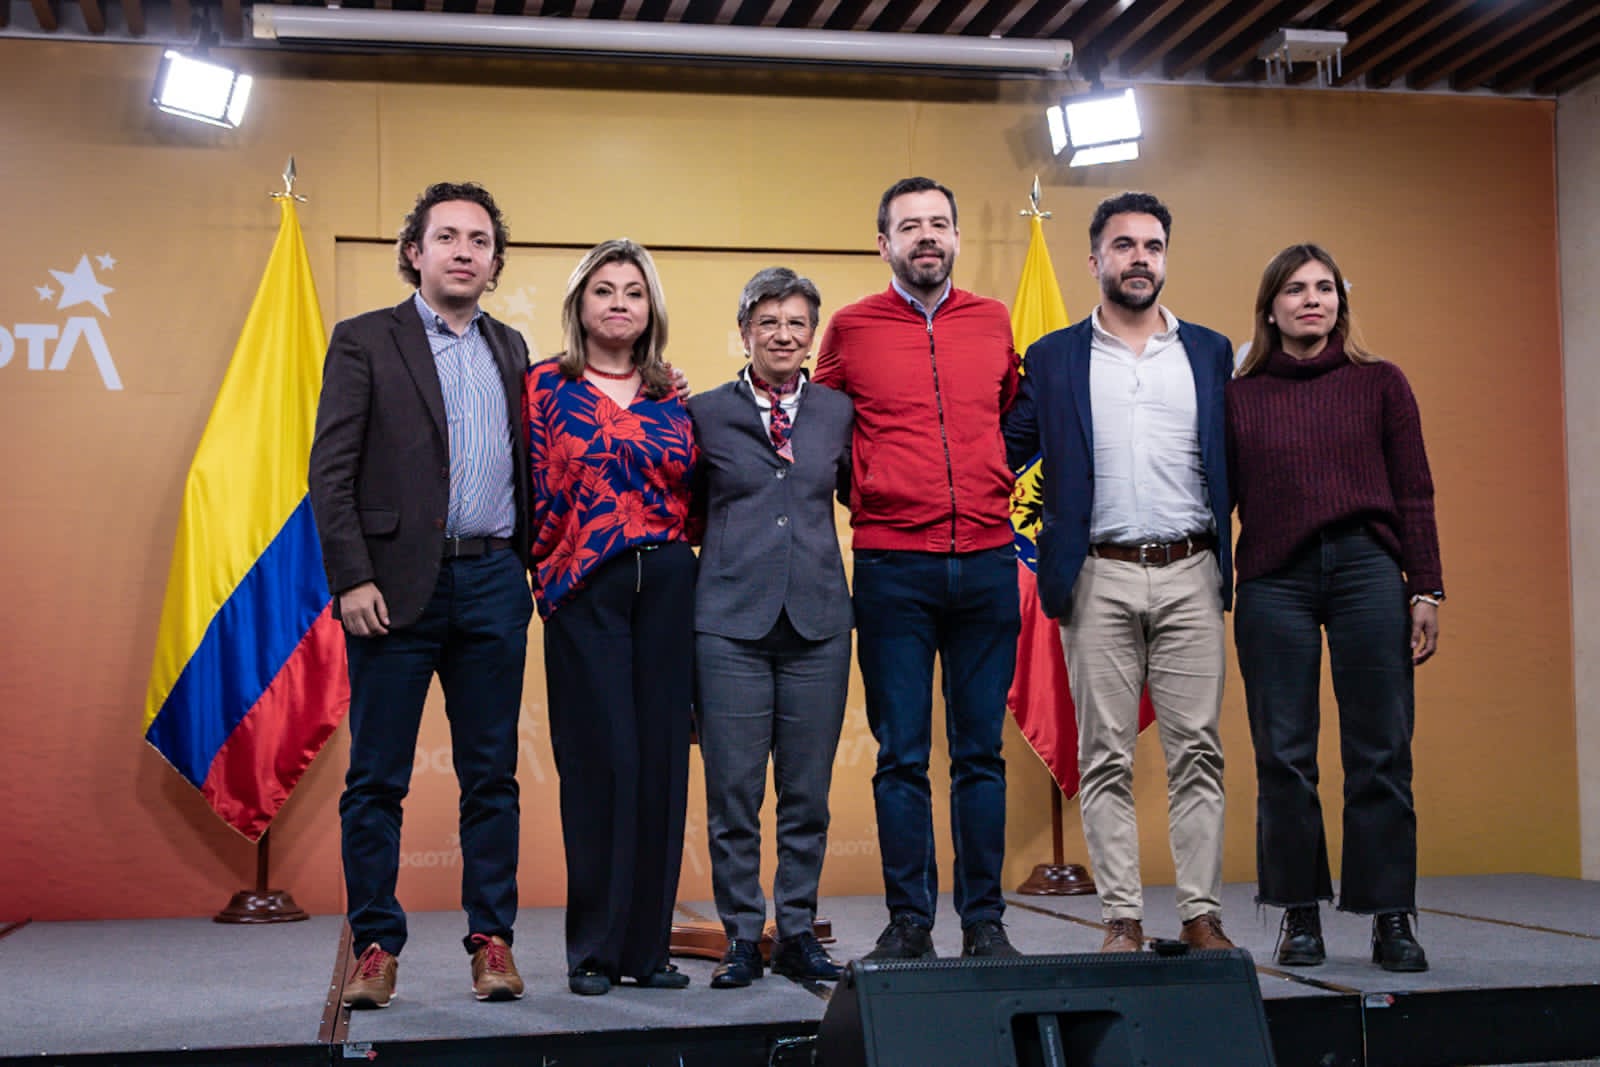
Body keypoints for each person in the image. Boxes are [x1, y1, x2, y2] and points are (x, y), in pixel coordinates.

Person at [309, 181, 532, 1008]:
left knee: (492, 778)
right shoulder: (365, 341)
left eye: (479, 239)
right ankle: (374, 946)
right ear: (416, 251)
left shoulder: (514, 350)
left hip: (492, 584)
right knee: (376, 780)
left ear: (495, 261)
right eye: (447, 237)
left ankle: (493, 942)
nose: (464, 250)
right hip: (392, 592)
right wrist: (352, 576)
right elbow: (329, 473)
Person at [1003, 191, 1235, 954]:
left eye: (1153, 245)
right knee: (1104, 753)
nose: (1141, 257)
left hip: (1190, 568)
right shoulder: (1054, 355)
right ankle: (1122, 920)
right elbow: (1000, 445)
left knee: (1196, 749)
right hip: (1096, 574)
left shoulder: (1209, 351)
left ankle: (1202, 915)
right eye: (1125, 245)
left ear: (1165, 257)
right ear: (1095, 259)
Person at [815, 177, 1023, 961]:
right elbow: (823, 431)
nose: (926, 236)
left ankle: (984, 921)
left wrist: (991, 480)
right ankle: (910, 922)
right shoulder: (849, 328)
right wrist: (870, 489)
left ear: (957, 238)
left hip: (987, 560)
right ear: (884, 244)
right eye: (909, 226)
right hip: (892, 564)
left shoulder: (993, 321)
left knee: (980, 753)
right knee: (901, 754)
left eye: (939, 223)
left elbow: (1007, 415)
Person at [1227, 243, 1442, 973]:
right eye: (1295, 289)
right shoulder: (1240, 395)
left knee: (1380, 751)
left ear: (1339, 304)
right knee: (1283, 755)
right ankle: (1298, 915)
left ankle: (1391, 918)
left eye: (1323, 288)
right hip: (1273, 579)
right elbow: (1215, 497)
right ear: (1271, 307)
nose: (1310, 300)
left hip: (1367, 571)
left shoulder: (1381, 384)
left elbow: (1415, 489)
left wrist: (1426, 587)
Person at [525, 238, 699, 996]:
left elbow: (698, 494)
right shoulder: (541, 387)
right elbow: (520, 487)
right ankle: (593, 949)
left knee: (661, 762)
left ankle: (648, 951)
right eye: (604, 290)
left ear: (650, 307)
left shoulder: (674, 395)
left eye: (633, 290)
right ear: (580, 305)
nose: (619, 301)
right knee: (602, 765)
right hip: (581, 586)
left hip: (666, 583)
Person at [688, 268, 854, 988]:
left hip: (819, 618)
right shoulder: (701, 411)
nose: (783, 334)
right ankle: (738, 934)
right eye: (769, 322)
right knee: (733, 791)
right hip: (728, 622)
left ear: (812, 334)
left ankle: (797, 932)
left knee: (807, 793)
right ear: (745, 331)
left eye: (797, 323)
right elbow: (685, 508)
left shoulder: (839, 412)